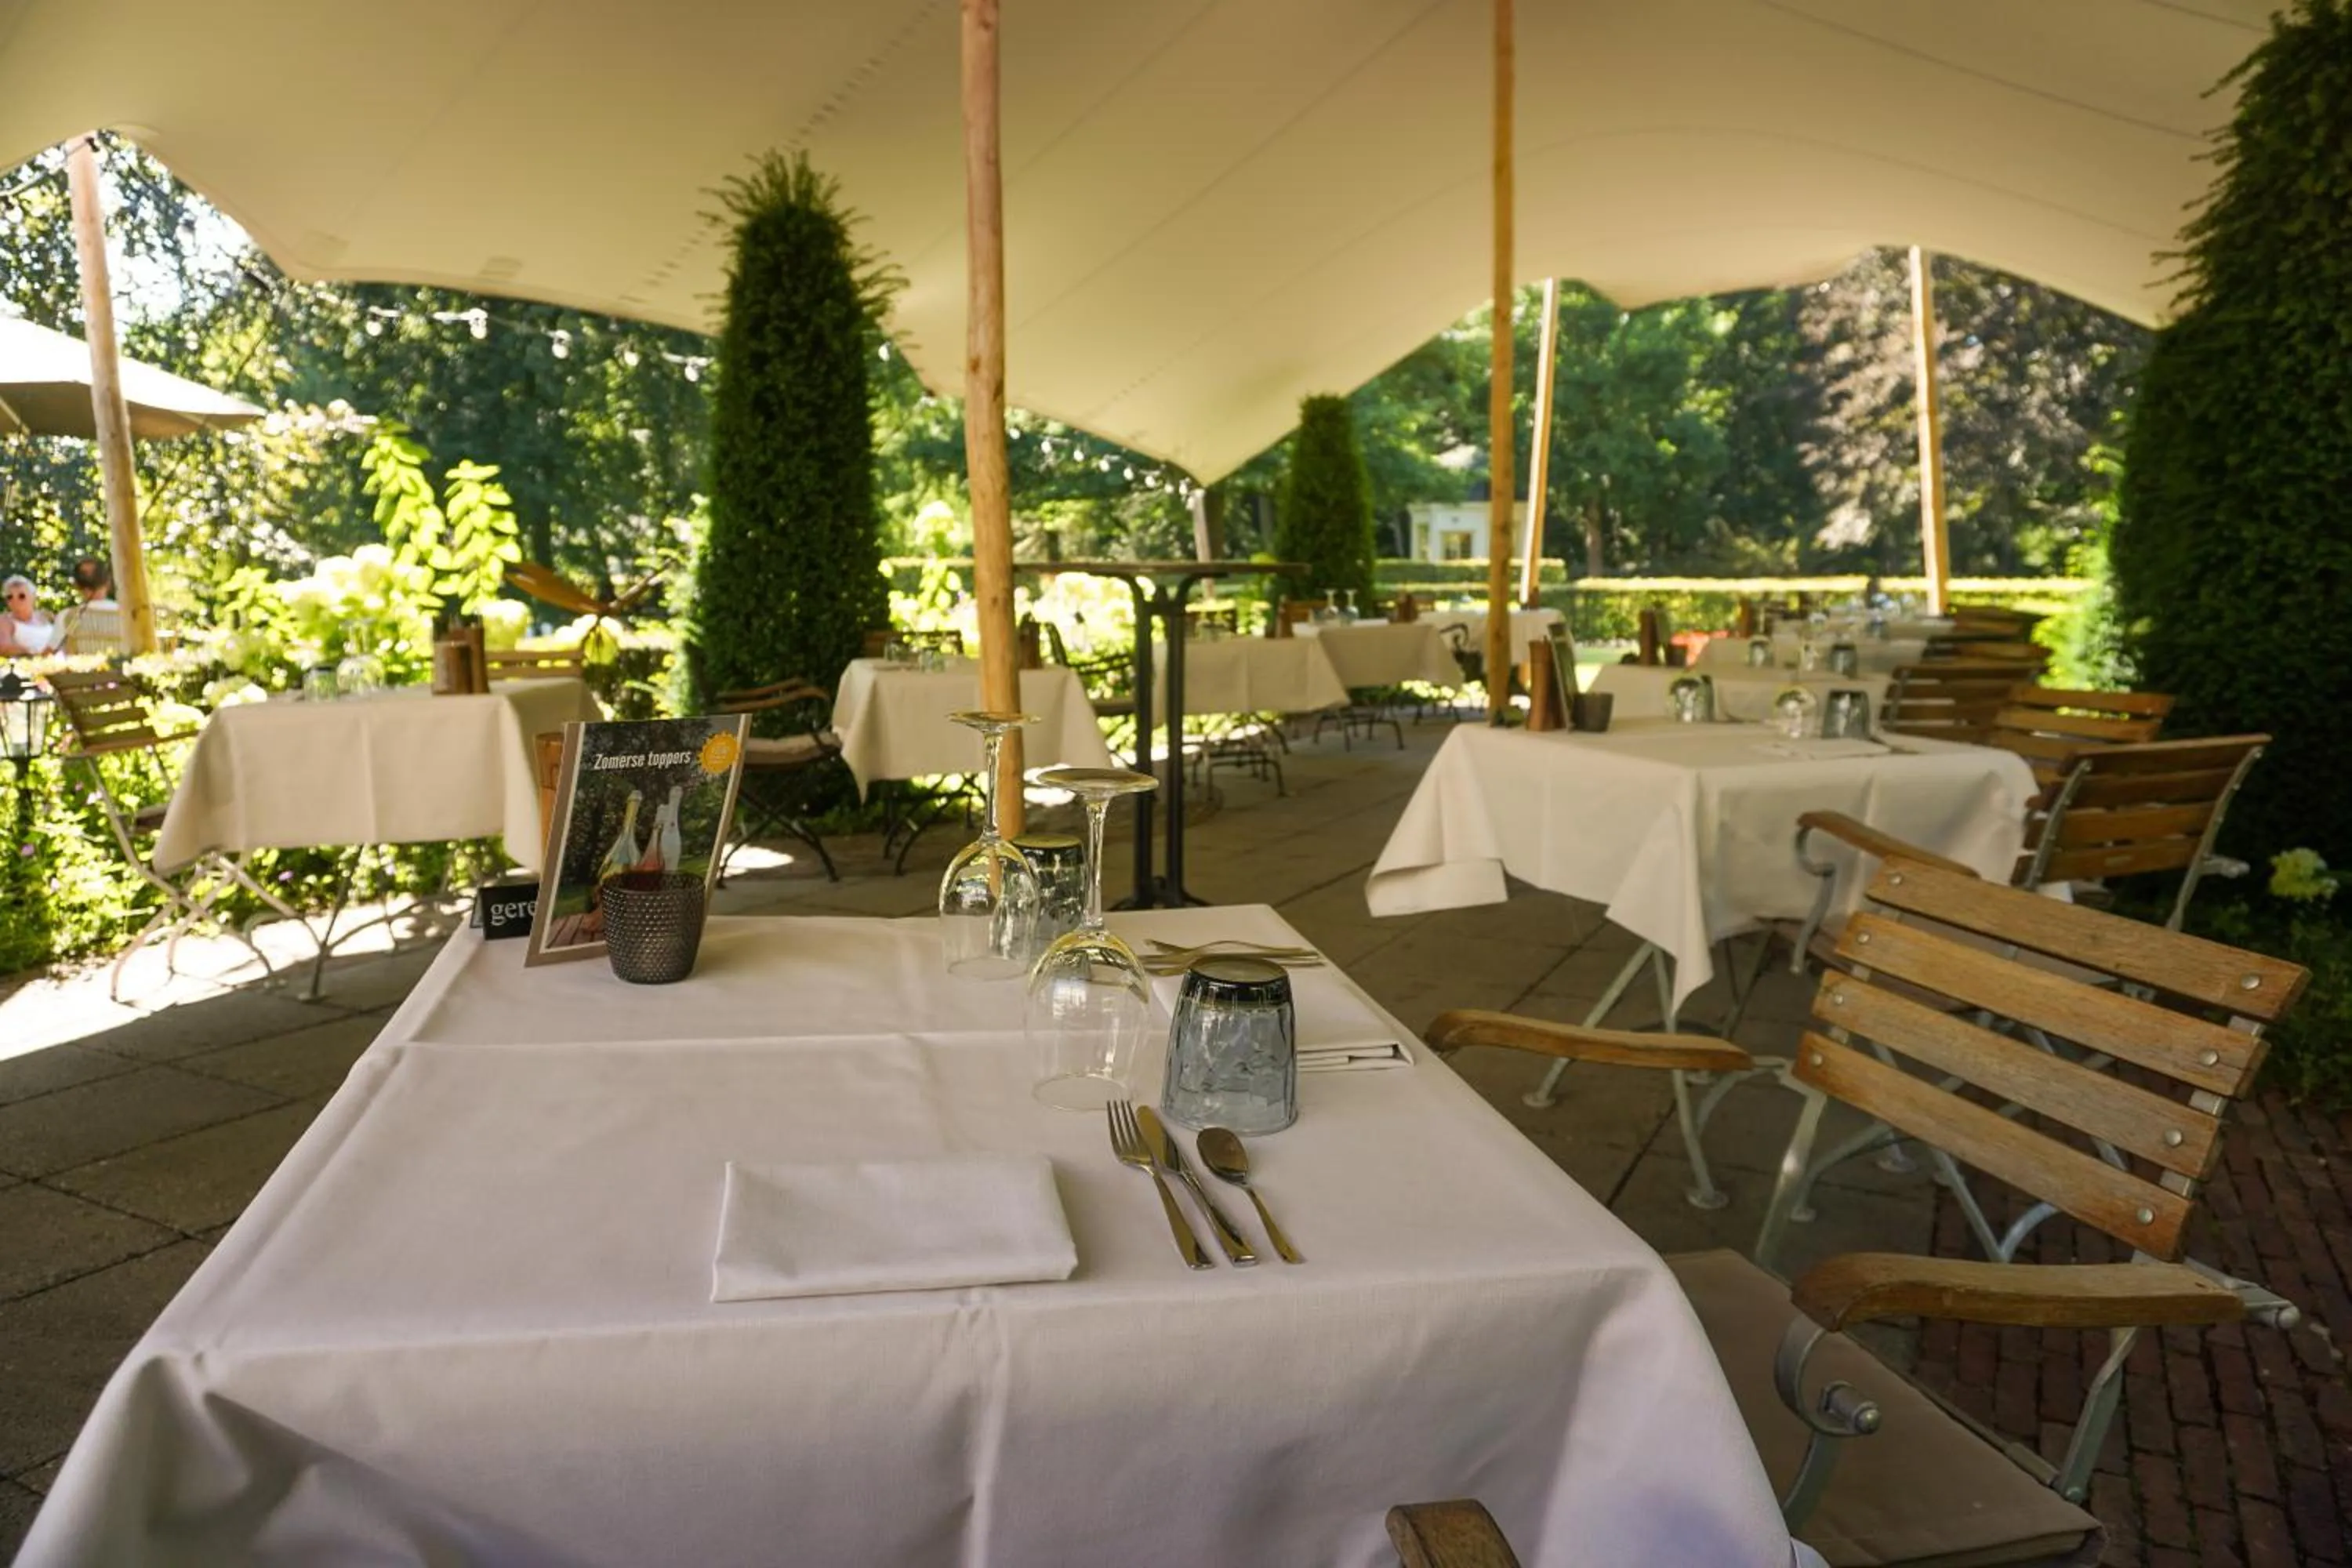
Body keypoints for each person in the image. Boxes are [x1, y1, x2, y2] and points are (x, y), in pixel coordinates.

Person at [60, 556, 123, 655]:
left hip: (80, 664)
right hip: (121, 664)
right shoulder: (128, 615)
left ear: (76, 585)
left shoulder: (67, 616)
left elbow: (49, 653)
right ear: (108, 582)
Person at [0, 575, 59, 656]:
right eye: (10, 597)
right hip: (34, 662)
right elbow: (3, 648)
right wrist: (36, 652)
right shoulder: (5, 621)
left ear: (33, 596)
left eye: (21, 596)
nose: (15, 600)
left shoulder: (45, 616)